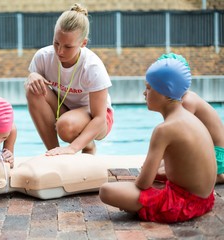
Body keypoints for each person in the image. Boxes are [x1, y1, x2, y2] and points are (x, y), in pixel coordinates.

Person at [99, 57, 217, 223]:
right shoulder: (191, 119)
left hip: (182, 205)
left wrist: (130, 195)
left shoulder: (164, 129)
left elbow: (143, 184)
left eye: (149, 88)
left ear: (166, 92)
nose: (144, 93)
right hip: (205, 200)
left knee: (106, 191)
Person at [24, 3, 114, 156]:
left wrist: (72, 148)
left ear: (83, 43)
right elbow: (34, 89)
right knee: (32, 89)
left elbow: (99, 119)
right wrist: (32, 76)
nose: (59, 51)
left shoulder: (92, 66)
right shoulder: (43, 57)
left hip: (96, 118)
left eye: (68, 47)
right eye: (56, 43)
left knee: (65, 126)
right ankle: (54, 153)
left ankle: (88, 145)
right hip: (63, 109)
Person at [156, 53, 224, 184]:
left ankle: (217, 175)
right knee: (158, 168)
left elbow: (176, 138)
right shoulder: (181, 99)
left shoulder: (187, 101)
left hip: (216, 155)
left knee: (161, 173)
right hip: (207, 151)